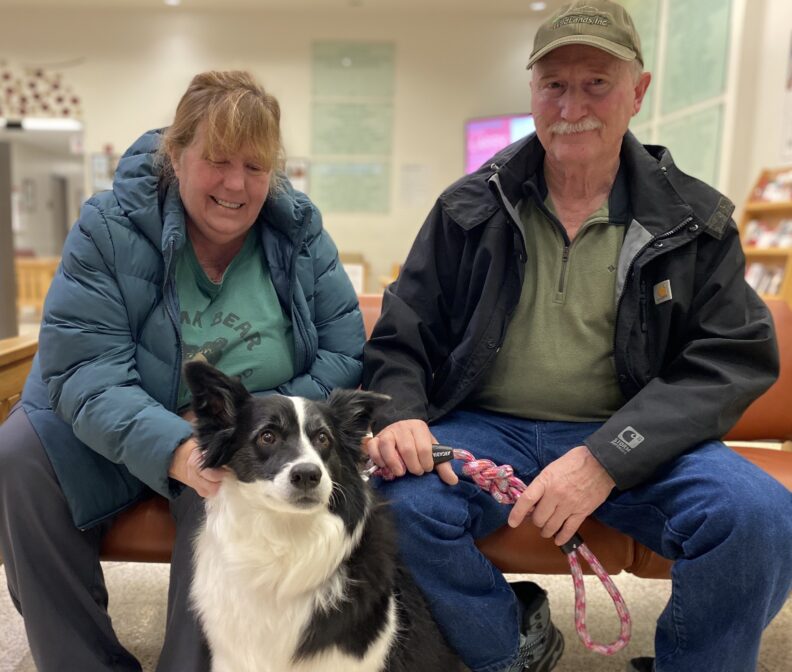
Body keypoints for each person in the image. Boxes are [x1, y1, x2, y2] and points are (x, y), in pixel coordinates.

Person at [362, 2, 792, 671]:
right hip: (485, 428)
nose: (572, 106)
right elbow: (400, 335)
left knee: (760, 516)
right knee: (390, 503)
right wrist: (401, 414)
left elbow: (730, 361)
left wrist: (606, 457)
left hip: (631, 434)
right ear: (532, 91)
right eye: (554, 85)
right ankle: (506, 648)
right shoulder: (466, 208)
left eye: (597, 83)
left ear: (638, 93)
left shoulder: (697, 220)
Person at [0, 70, 365, 671]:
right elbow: (84, 367)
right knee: (18, 455)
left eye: (254, 166)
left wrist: (252, 428)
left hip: (236, 428)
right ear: (175, 155)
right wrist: (174, 443)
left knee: (227, 474)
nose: (235, 183)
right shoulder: (107, 227)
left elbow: (342, 354)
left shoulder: (300, 233)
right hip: (114, 418)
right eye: (217, 160)